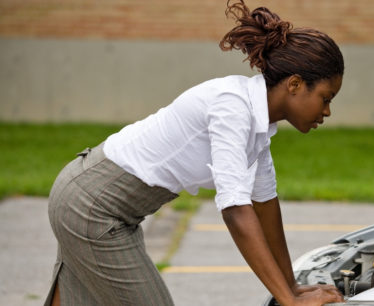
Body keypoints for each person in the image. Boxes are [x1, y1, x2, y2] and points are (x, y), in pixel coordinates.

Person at [45, 0, 344, 305]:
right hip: (92, 207)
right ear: (294, 84)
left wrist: (290, 288)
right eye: (325, 97)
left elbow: (265, 206)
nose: (328, 110)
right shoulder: (233, 108)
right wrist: (289, 301)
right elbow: (236, 211)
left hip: (98, 203)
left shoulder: (257, 125)